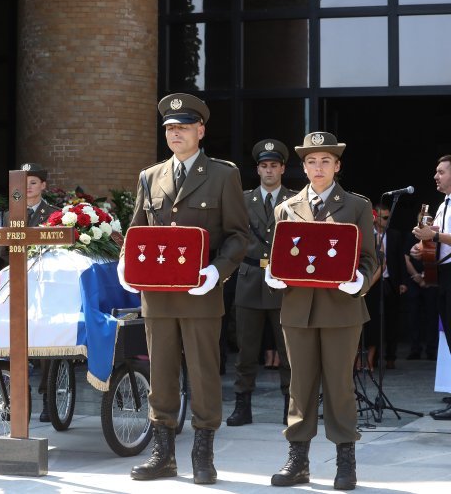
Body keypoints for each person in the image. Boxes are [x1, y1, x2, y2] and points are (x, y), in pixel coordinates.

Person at [118, 93, 249, 484]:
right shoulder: (150, 176)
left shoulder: (224, 175)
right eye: (170, 128)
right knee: (160, 373)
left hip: (200, 295)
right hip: (157, 295)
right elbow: (137, 229)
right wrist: (127, 261)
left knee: (204, 374)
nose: (175, 134)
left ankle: (203, 456)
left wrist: (217, 271)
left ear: (200, 131)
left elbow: (239, 236)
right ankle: (163, 455)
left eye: (183, 127)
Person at [265, 132, 376, 490]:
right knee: (299, 386)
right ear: (303, 166)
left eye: (325, 161)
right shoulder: (285, 207)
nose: (318, 167)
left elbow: (372, 259)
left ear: (337, 166)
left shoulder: (356, 206)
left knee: (340, 386)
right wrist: (273, 273)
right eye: (311, 161)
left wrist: (359, 280)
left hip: (341, 309)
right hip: (298, 309)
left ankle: (346, 461)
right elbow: (278, 253)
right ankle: (298, 460)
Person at [228, 139, 293, 427]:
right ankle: (243, 406)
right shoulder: (242, 199)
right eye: (264, 166)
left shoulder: (295, 199)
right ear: (258, 169)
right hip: (250, 278)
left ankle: (291, 406)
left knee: (288, 349)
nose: (269, 171)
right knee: (246, 350)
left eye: (274, 166)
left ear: (283, 168)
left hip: (282, 281)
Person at [0, 162, 60, 422]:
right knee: (8, 340)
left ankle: (48, 397)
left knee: (46, 345)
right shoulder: (10, 213)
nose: (28, 187)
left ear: (43, 185)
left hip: (46, 286)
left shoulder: (56, 214)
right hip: (17, 282)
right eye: (23, 182)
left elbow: (61, 252)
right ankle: (14, 399)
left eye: (33, 182)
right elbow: (2, 250)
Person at [411, 154, 451, 420]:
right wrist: (422, 247)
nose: (436, 176)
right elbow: (436, 239)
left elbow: (439, 236)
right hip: (444, 273)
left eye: (441, 172)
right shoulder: (442, 205)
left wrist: (433, 236)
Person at [363, 204, 407, 370]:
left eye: (388, 217)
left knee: (392, 321)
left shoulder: (394, 235)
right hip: (373, 283)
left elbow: (400, 260)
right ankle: (371, 360)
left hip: (390, 281)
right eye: (383, 217)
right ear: (375, 218)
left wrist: (403, 282)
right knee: (373, 321)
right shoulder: (368, 235)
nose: (386, 221)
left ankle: (391, 357)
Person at [403, 231, 439, 361]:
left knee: (432, 315)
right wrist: (416, 276)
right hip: (414, 280)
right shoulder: (411, 236)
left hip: (432, 280)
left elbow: (441, 256)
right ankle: (415, 349)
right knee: (413, 316)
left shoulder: (436, 236)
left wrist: (427, 277)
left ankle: (432, 350)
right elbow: (406, 258)